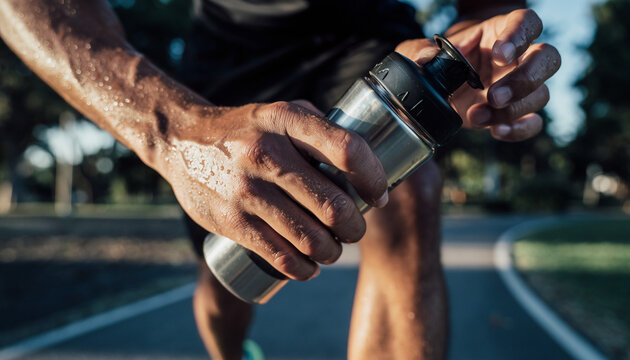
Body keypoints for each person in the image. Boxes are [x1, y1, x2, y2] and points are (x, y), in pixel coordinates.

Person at [0, 0, 560, 359]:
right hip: (232, 38)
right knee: (234, 269)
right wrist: (173, 131)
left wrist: (485, 49)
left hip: (369, 29)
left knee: (406, 190)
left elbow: (486, 8)